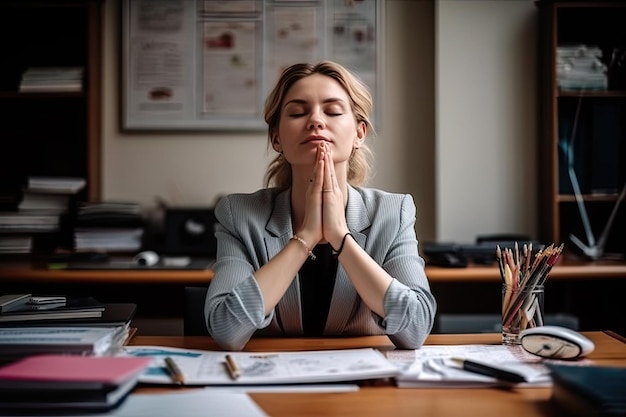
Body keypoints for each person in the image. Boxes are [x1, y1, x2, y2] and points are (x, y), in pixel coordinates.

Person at [205, 61, 436, 351]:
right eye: (298, 112)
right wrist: (305, 238)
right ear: (276, 137)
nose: (316, 121)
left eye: (333, 111)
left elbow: (416, 330)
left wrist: (341, 238)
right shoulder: (239, 214)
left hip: (363, 387)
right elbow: (226, 331)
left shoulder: (393, 212)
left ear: (359, 133)